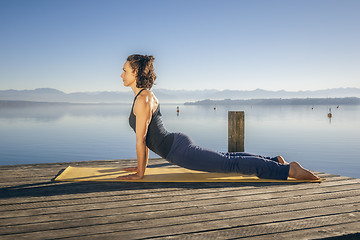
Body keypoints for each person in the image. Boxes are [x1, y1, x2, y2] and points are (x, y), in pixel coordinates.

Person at [117, 54, 320, 181]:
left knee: (228, 164)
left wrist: (139, 175)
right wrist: (140, 166)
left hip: (178, 150)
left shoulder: (143, 98)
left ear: (135, 72)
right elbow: (144, 138)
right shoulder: (142, 96)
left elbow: (141, 139)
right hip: (176, 145)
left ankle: (287, 171)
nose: (121, 75)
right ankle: (274, 161)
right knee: (227, 158)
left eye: (125, 71)